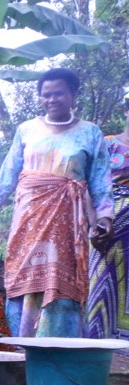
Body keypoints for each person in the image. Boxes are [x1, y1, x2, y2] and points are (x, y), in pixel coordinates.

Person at [0, 68, 113, 338]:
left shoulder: (90, 133)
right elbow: (7, 176)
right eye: (45, 95)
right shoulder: (26, 130)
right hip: (29, 220)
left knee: (61, 284)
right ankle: (22, 350)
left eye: (58, 93)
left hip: (68, 224)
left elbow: (100, 181)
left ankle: (60, 350)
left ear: (72, 94)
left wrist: (104, 218)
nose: (51, 99)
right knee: (26, 280)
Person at [86, 88, 129, 340]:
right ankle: (100, 346)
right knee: (103, 282)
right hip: (109, 223)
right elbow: (93, 187)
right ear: (126, 110)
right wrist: (94, 225)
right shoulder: (108, 143)